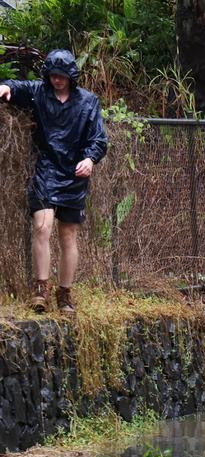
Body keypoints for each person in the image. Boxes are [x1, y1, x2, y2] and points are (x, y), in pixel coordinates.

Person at [0, 49, 108, 314]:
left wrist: (90, 159)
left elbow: (99, 139)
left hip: (74, 175)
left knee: (68, 235)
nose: (57, 80)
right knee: (42, 227)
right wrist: (4, 86)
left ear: (71, 76)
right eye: (53, 76)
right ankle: (41, 288)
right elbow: (17, 87)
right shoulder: (39, 92)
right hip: (45, 170)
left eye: (62, 76)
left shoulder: (88, 101)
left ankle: (65, 293)